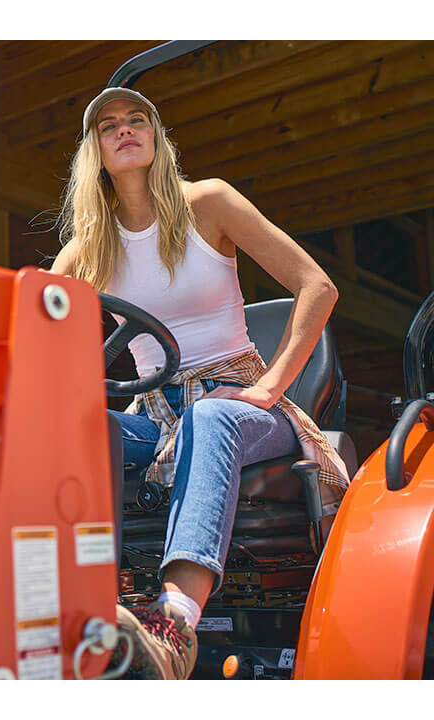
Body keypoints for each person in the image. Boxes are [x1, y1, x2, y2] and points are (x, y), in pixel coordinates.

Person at [50, 87, 350, 679]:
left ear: (158, 138)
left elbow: (318, 287)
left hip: (236, 401)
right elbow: (24, 314)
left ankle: (175, 625)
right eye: (109, 126)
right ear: (96, 152)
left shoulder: (207, 204)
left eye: (138, 120)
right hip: (156, 412)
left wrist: (268, 388)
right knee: (80, 424)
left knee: (208, 416)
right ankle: (89, 600)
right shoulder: (87, 247)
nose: (125, 129)